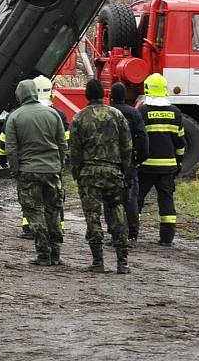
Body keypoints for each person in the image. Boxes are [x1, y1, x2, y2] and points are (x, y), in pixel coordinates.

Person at [70, 78, 133, 274]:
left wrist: (77, 172)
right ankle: (122, 261)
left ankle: (98, 260)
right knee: (117, 212)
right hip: (114, 171)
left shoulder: (79, 118)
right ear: (104, 95)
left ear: (87, 95)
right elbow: (127, 146)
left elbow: (75, 150)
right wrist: (123, 169)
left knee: (92, 215)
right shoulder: (117, 115)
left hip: (89, 173)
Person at [4, 79, 67, 266]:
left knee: (34, 212)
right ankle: (56, 254)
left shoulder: (15, 117)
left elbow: (11, 149)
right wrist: (59, 165)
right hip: (52, 170)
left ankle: (43, 254)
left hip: (28, 171)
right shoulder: (53, 114)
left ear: (19, 95)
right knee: (53, 212)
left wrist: (15, 170)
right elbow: (62, 144)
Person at [137, 73, 185, 246]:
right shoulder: (175, 113)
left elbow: (139, 139)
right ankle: (167, 238)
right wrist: (179, 161)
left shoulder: (142, 112)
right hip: (168, 167)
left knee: (137, 199)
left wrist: (136, 160)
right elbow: (180, 142)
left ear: (147, 89)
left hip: (146, 167)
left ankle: (132, 235)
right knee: (166, 200)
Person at [104, 82, 149, 248]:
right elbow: (143, 138)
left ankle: (114, 234)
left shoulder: (106, 113)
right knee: (130, 200)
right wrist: (139, 159)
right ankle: (132, 235)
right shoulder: (134, 114)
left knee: (110, 200)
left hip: (109, 162)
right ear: (125, 96)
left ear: (110, 97)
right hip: (128, 163)